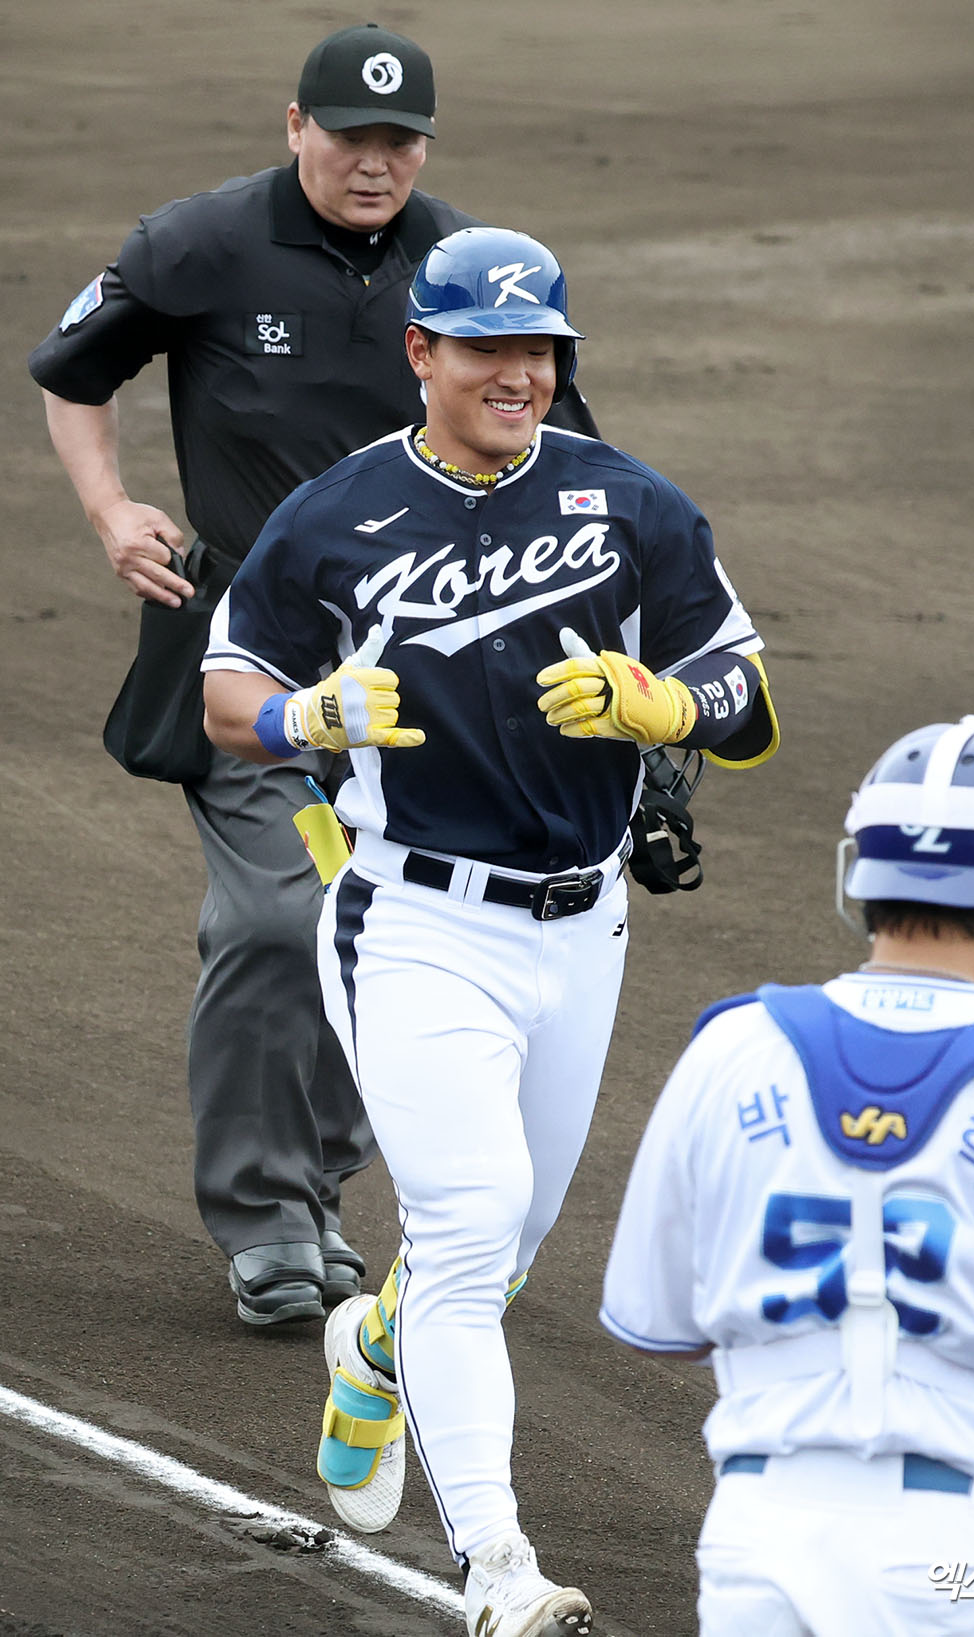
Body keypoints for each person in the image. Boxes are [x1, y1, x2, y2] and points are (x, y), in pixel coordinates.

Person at [200, 222, 778, 1637]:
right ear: (424, 354)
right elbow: (228, 685)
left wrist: (668, 707)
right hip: (410, 921)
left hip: (583, 929)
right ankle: (503, 1574)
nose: (519, 374)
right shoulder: (333, 516)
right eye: (489, 348)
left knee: (505, 1247)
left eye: (540, 350)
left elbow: (747, 690)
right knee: (466, 1225)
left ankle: (374, 1343)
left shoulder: (630, 506)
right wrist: (306, 717)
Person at [27, 24, 600, 1326]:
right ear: (297, 126)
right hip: (260, 669)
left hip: (438, 685)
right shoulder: (200, 244)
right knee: (285, 920)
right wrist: (114, 511)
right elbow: (72, 373)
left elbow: (567, 460)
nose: (373, 163)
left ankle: (314, 1183)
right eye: (349, 136)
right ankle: (266, 1215)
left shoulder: (467, 270)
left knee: (396, 934)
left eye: (399, 143)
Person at [601, 714, 974, 1636]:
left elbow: (655, 1324)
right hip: (973, 1558)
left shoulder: (731, 1049)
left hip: (762, 1545)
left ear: (863, 879)